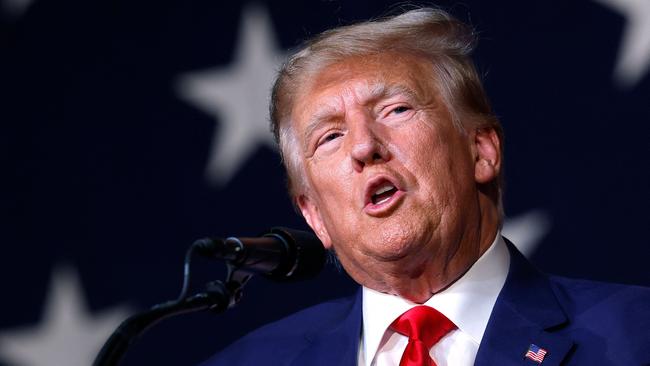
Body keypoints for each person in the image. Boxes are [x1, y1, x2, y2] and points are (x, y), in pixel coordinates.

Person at [201, 7, 650, 366]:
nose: (363, 146)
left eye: (396, 109)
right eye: (330, 136)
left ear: (481, 151)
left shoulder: (636, 335)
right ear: (314, 215)